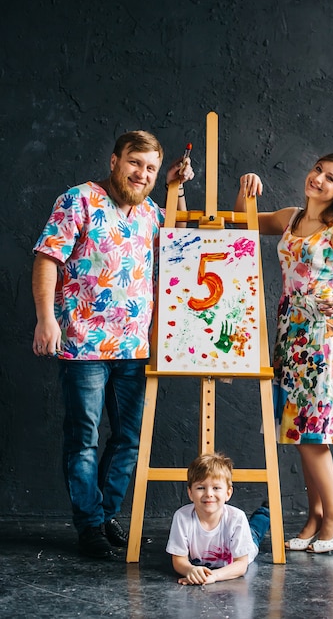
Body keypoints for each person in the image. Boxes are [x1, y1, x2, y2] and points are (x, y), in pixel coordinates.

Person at [32, 130, 194, 559]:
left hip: (135, 349)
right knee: (83, 438)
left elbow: (181, 243)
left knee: (128, 440)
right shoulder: (78, 199)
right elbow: (48, 257)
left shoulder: (152, 212)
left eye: (151, 169)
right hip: (82, 344)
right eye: (134, 163)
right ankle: (89, 528)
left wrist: (177, 189)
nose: (141, 174)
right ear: (114, 161)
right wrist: (46, 319)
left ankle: (103, 516)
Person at [235, 154, 333, 553]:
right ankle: (314, 515)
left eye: (330, 178)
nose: (319, 179)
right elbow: (245, 224)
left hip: (324, 336)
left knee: (313, 432)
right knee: (297, 430)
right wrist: (248, 191)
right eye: (317, 170)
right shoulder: (290, 218)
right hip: (290, 333)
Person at [166, 452, 270, 584]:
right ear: (190, 493)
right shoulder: (182, 517)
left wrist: (214, 576)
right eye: (200, 488)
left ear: (228, 493)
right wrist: (190, 570)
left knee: (254, 531)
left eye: (216, 488)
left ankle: (265, 511)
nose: (209, 494)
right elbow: (179, 560)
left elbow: (241, 565)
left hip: (238, 550)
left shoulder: (237, 518)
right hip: (222, 549)